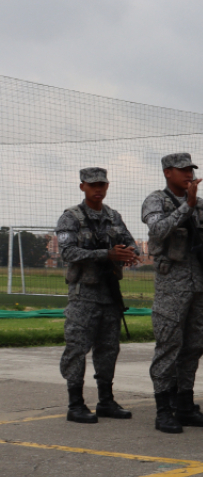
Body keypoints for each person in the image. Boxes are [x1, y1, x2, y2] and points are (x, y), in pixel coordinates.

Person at [141, 152, 203, 433]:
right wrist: (187, 206)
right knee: (168, 346)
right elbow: (158, 230)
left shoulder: (202, 204)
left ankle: (185, 405)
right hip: (172, 286)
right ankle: (163, 410)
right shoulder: (155, 200)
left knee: (195, 345)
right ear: (167, 172)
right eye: (183, 170)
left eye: (191, 170)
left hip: (198, 286)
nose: (189, 174)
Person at [57, 167, 140, 424]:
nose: (98, 189)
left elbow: (131, 242)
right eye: (93, 184)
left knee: (108, 350)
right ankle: (76, 404)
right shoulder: (70, 217)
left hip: (109, 295)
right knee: (77, 349)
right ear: (82, 186)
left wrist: (129, 253)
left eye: (102, 184)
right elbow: (68, 253)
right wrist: (107, 254)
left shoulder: (113, 217)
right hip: (84, 295)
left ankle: (106, 401)